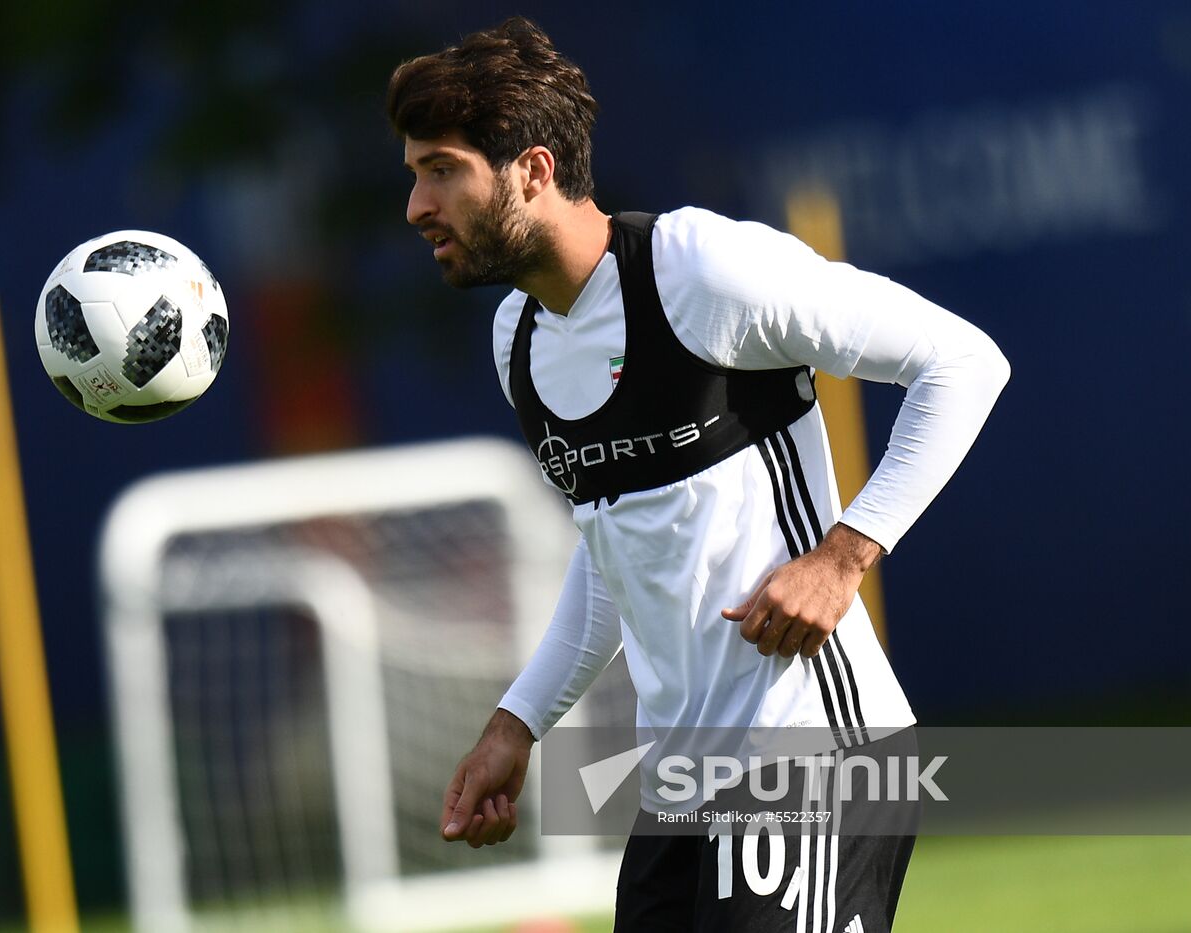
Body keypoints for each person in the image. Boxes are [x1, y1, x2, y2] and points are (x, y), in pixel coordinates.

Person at [387, 16, 1008, 932]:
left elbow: (964, 362)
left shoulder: (702, 270)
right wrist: (516, 724)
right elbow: (615, 553)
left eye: (442, 168)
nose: (417, 206)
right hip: (680, 792)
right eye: (415, 175)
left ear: (532, 171)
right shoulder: (515, 340)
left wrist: (841, 557)